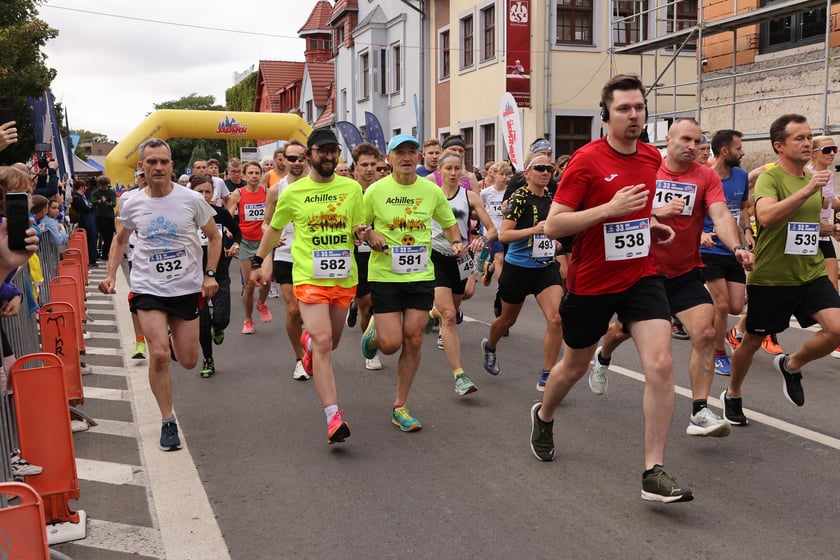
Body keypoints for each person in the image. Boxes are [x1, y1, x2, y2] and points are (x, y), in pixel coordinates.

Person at [530, 74, 693, 503]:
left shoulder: (650, 156)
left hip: (642, 275)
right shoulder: (586, 160)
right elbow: (555, 223)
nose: (634, 115)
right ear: (606, 115)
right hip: (592, 283)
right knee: (573, 366)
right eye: (624, 108)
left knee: (659, 364)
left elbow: (636, 213)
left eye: (639, 107)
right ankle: (545, 415)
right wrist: (609, 208)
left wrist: (652, 225)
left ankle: (653, 471)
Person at [586, 118, 754, 440]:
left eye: (697, 141)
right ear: (669, 140)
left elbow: (720, 215)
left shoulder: (705, 177)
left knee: (705, 331)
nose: (692, 147)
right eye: (686, 140)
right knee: (622, 331)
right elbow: (618, 213)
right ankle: (603, 354)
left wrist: (737, 248)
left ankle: (700, 410)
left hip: (685, 271)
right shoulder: (647, 170)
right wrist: (655, 213)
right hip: (643, 273)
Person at [99, 138, 221, 451]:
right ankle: (168, 421)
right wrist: (111, 274)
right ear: (141, 166)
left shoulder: (191, 199)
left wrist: (209, 274)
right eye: (151, 162)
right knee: (160, 356)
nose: (158, 167)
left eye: (163, 162)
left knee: (190, 360)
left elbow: (214, 236)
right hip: (148, 287)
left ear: (170, 165)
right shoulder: (131, 202)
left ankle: (168, 339)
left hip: (184, 289)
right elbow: (119, 240)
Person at [722, 114, 840, 424]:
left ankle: (791, 364)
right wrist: (806, 190)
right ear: (779, 145)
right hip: (772, 278)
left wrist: (828, 230)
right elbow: (769, 216)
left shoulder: (813, 180)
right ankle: (733, 393)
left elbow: (806, 225)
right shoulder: (771, 178)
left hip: (810, 272)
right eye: (799, 138)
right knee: (751, 341)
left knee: (837, 329)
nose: (807, 143)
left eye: (809, 137)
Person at [251, 127, 365, 444]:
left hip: (344, 277)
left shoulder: (352, 188)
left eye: (333, 151)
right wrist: (260, 261)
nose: (329, 156)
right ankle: (333, 418)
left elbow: (357, 226)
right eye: (322, 150)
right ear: (310, 154)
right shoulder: (292, 193)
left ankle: (310, 344)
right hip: (309, 276)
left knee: (333, 341)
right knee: (325, 341)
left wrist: (362, 233)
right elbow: (274, 230)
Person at [359, 133, 464, 432]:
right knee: (391, 344)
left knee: (414, 339)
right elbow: (360, 226)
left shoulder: (431, 192)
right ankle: (375, 335)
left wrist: (457, 242)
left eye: (412, 152)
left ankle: (400, 406)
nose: (407, 157)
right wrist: (370, 234)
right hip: (385, 275)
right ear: (389, 159)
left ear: (418, 157)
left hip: (420, 274)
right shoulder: (375, 191)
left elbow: (448, 223)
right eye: (400, 152)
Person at [480, 153, 564, 391]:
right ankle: (490, 346)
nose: (545, 172)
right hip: (517, 267)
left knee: (556, 318)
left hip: (545, 267)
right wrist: (534, 231)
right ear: (527, 173)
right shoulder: (519, 198)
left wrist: (555, 240)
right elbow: (504, 235)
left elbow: (554, 229)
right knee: (507, 320)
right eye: (539, 168)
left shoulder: (552, 199)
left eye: (549, 168)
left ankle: (548, 374)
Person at [430, 149, 497, 396]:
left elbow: (491, 229)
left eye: (457, 168)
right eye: (448, 168)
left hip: (461, 257)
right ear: (440, 171)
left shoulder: (469, 197)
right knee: (449, 316)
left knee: (458, 301)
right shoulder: (430, 195)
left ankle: (431, 312)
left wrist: (481, 240)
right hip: (435, 255)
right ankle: (460, 375)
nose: (453, 173)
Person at [700, 130, 753, 376]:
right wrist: (700, 234)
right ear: (724, 151)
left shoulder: (741, 176)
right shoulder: (705, 177)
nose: (742, 152)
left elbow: (743, 209)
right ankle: (718, 352)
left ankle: (715, 326)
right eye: (738, 148)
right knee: (721, 305)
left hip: (733, 248)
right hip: (707, 247)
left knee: (734, 306)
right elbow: (693, 214)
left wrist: (748, 232)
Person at [263, 139, 310, 379]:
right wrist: (271, 238)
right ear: (284, 160)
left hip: (315, 254)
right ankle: (299, 358)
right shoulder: (276, 189)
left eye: (301, 157)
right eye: (292, 158)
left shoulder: (319, 187)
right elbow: (266, 223)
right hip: (287, 253)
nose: (297, 162)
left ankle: (314, 346)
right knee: (293, 310)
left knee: (312, 310)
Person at [190, 175, 241, 378]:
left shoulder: (219, 213)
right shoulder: (186, 215)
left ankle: (218, 328)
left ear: (214, 193)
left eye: (208, 192)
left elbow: (236, 232)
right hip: (194, 275)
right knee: (202, 324)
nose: (204, 195)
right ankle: (208, 358)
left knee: (222, 319)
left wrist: (236, 244)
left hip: (219, 271)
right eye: (199, 192)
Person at [346, 142, 385, 370]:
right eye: (365, 165)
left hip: (382, 255)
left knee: (381, 306)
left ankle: (376, 343)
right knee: (367, 306)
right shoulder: (350, 193)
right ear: (355, 169)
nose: (370, 169)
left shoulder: (385, 192)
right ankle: (370, 350)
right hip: (357, 256)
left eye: (374, 165)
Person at [227, 160, 272, 334]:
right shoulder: (238, 193)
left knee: (266, 278)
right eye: (251, 173)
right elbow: (229, 214)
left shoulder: (268, 192)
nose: (254, 176)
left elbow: (274, 215)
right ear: (245, 175)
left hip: (263, 240)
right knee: (250, 284)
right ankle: (248, 320)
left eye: (257, 173)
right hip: (246, 241)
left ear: (261, 175)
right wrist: (230, 229)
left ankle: (261, 303)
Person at [806, 136, 839, 357]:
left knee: (832, 286)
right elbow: (813, 202)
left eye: (834, 149)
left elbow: (832, 201)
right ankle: (741, 329)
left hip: (823, 235)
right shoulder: (807, 173)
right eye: (827, 149)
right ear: (814, 152)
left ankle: (835, 336)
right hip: (805, 235)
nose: (832, 153)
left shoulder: (829, 175)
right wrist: (823, 202)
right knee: (783, 292)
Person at [479, 161, 511, 286]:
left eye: (507, 175)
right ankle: (501, 288)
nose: (504, 177)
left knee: (506, 259)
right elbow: (481, 210)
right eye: (501, 174)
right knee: (500, 258)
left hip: (506, 230)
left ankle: (490, 269)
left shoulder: (510, 192)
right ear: (494, 175)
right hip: (493, 232)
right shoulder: (486, 193)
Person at [70, 179, 98, 267]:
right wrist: (90, 207)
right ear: (81, 187)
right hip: (85, 221)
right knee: (90, 240)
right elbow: (86, 208)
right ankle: (91, 260)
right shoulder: (77, 198)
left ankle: (92, 259)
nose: (86, 188)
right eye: (84, 186)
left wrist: (90, 207)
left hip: (87, 220)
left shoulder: (81, 197)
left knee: (91, 240)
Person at [91, 175, 117, 259]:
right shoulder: (95, 192)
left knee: (110, 235)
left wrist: (110, 203)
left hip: (109, 216)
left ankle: (106, 252)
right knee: (103, 235)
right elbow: (93, 201)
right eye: (101, 184)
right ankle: (103, 253)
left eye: (105, 184)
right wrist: (100, 201)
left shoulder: (111, 192)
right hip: (100, 216)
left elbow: (114, 203)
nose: (103, 186)